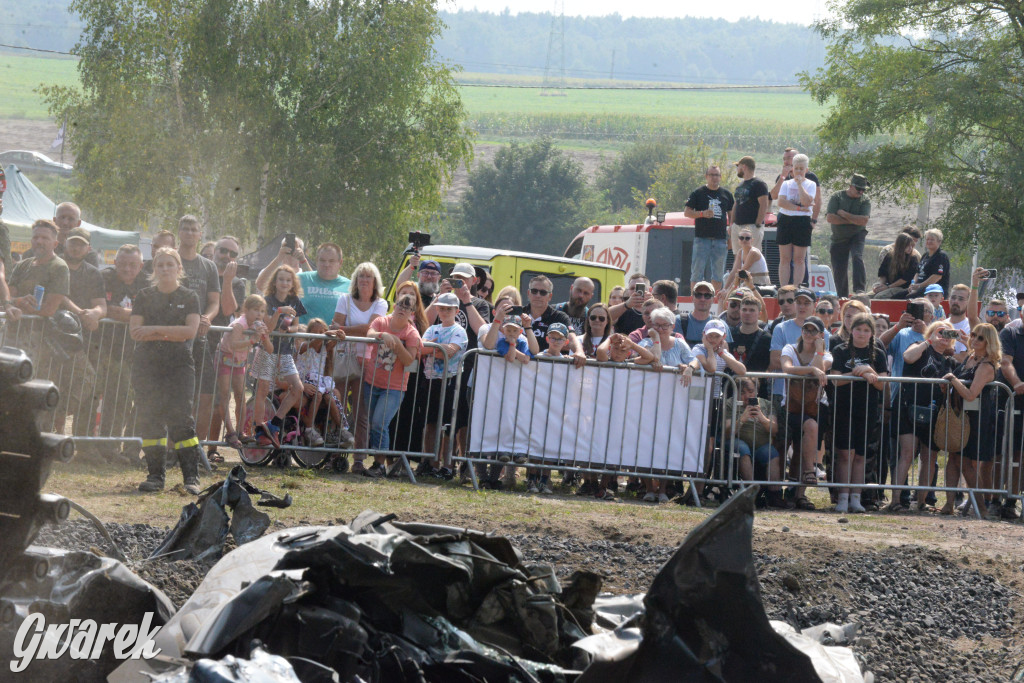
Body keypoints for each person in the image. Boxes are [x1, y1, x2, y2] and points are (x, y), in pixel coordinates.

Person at [129, 247, 203, 494]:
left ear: (179, 268)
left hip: (179, 366)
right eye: (160, 265)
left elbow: (189, 332)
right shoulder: (143, 295)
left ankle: (191, 477)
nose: (165, 269)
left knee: (181, 420)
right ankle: (155, 476)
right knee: (150, 419)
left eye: (170, 264)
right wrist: (168, 331)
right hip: (147, 366)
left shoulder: (190, 296)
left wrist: (154, 330)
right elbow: (135, 332)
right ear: (154, 269)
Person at [893, 320, 956, 512]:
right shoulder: (919, 347)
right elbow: (908, 357)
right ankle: (895, 500)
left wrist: (964, 338)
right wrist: (928, 340)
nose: (945, 337)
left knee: (930, 457)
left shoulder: (949, 360)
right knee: (907, 452)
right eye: (941, 331)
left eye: (949, 334)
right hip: (908, 407)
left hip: (934, 412)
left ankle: (920, 501)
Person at [829, 313, 888, 513]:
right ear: (851, 330)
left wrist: (869, 371)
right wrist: (858, 372)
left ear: (871, 333)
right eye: (858, 329)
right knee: (845, 454)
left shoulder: (878, 353)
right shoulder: (840, 350)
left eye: (866, 330)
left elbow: (882, 384)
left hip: (868, 408)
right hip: (844, 408)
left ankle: (856, 498)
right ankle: (842, 498)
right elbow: (835, 380)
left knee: (861, 455)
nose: (862, 334)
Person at [941, 323, 1001, 516]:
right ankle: (948, 504)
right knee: (953, 459)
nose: (974, 339)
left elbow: (971, 394)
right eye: (973, 335)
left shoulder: (986, 366)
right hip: (960, 415)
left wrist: (952, 379)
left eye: (980, 338)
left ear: (989, 342)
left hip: (976, 419)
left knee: (967, 464)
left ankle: (982, 508)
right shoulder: (970, 358)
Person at [361, 293, 423, 478]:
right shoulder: (381, 321)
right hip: (372, 382)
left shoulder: (412, 333)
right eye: (400, 306)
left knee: (380, 423)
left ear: (412, 313)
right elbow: (369, 333)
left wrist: (397, 344)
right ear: (394, 306)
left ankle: (379, 465)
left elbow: (409, 359)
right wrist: (384, 335)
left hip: (394, 388)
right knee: (373, 423)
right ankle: (378, 462)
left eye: (407, 307)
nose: (402, 310)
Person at [331, 262, 388, 451]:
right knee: (336, 406)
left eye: (368, 276)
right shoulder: (344, 299)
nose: (364, 280)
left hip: (367, 363)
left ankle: (359, 458)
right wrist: (345, 331)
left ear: (375, 281)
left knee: (360, 412)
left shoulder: (381, 303)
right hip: (343, 360)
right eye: (361, 276)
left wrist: (343, 330)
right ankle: (334, 454)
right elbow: (334, 327)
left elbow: (369, 329)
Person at [54, 226, 105, 437]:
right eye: (73, 242)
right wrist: (84, 313)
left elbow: (102, 305)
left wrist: (95, 313)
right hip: (53, 336)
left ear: (88, 248)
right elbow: (59, 297)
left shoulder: (93, 273)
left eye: (81, 244)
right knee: (53, 383)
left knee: (86, 382)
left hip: (80, 341)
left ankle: (61, 421)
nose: (76, 248)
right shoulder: (56, 266)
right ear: (65, 242)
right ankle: (51, 432)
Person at [176, 215, 221, 449]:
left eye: (194, 229)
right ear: (179, 232)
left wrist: (208, 317)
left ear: (200, 234)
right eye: (186, 228)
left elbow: (214, 302)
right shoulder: (169, 260)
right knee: (175, 396)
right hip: (171, 337)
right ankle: (168, 448)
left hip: (199, 339)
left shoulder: (208, 266)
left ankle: (197, 448)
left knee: (206, 395)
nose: (190, 233)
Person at [779, 315, 833, 511]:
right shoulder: (789, 348)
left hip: (815, 406)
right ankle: (808, 472)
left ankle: (797, 494)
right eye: (806, 329)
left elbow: (821, 369)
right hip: (791, 406)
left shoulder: (826, 354)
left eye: (813, 331)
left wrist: (818, 353)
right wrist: (812, 369)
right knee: (798, 447)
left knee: (803, 450)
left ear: (821, 334)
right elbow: (787, 368)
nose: (809, 333)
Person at [252, 265, 308, 447]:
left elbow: (296, 327)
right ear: (275, 282)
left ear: (292, 283)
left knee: (298, 388)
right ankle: (258, 429)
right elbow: (268, 328)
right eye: (281, 279)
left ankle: (273, 424)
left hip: (285, 352)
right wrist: (278, 312)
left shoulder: (295, 301)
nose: (284, 283)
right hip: (268, 350)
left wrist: (287, 329)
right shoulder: (267, 301)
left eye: (288, 280)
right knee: (263, 390)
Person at [206, 235, 247, 461]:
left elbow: (229, 308)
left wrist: (228, 281)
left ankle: (211, 449)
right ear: (214, 251)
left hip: (224, 348)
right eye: (223, 251)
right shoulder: (205, 273)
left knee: (220, 400)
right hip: (200, 341)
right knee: (201, 399)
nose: (226, 257)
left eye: (232, 254)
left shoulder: (238, 283)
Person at [419, 292, 468, 478]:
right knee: (431, 423)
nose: (445, 311)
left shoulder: (459, 331)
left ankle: (448, 465)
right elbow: (420, 348)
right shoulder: (432, 329)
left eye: (449, 309)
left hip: (451, 380)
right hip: (431, 380)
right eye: (442, 308)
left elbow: (448, 353)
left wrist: (432, 348)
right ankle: (430, 462)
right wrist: (436, 348)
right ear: (437, 309)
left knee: (449, 425)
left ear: (456, 310)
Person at [217, 294, 271, 447]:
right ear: (245, 310)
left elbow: (268, 347)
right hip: (225, 358)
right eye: (255, 310)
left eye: (262, 311)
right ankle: (230, 432)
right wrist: (253, 339)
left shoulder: (257, 326)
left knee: (240, 395)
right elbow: (234, 344)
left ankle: (241, 432)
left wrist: (264, 336)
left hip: (240, 362)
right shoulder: (239, 324)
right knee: (225, 394)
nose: (259, 314)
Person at [724, 377, 785, 507]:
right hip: (738, 441)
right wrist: (742, 418)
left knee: (772, 454)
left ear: (757, 391)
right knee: (743, 450)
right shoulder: (730, 403)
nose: (747, 396)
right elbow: (727, 433)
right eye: (742, 392)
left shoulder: (767, 404)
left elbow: (774, 430)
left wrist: (762, 418)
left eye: (751, 391)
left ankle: (775, 495)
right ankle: (753, 494)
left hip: (761, 444)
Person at [295, 318, 348, 448]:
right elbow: (315, 341)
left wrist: (339, 335)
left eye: (322, 331)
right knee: (318, 394)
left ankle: (341, 430)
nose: (320, 334)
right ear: (309, 333)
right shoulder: (304, 346)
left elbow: (335, 341)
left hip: (319, 382)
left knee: (332, 396)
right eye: (316, 332)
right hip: (304, 381)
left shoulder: (325, 348)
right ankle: (309, 429)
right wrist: (326, 334)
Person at [684, 165, 734, 293]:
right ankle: (695, 297)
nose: (714, 178)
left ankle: (715, 300)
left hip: (721, 239)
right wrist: (702, 214)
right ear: (706, 176)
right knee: (697, 272)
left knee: (718, 273)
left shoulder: (726, 194)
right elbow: (687, 212)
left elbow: (732, 215)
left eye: (717, 175)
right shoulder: (698, 193)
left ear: (720, 177)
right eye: (711, 175)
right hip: (702, 238)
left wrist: (731, 233)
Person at [774, 153, 818, 287]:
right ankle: (784, 288)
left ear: (806, 170)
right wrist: (798, 208)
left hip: (802, 222)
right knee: (785, 258)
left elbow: (806, 202)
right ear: (792, 168)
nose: (798, 171)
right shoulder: (786, 184)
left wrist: (800, 185)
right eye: (796, 168)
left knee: (799, 258)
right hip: (786, 220)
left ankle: (797, 287)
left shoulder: (811, 184)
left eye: (801, 168)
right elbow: (781, 202)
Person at [826, 174, 872, 297]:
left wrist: (844, 214)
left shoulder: (865, 200)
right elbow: (830, 218)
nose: (861, 192)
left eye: (863, 190)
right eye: (859, 189)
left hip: (857, 235)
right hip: (838, 238)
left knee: (857, 256)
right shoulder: (837, 197)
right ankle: (842, 295)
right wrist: (854, 220)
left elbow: (864, 221)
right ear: (851, 186)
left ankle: (859, 290)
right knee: (839, 268)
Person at [297, 243, 349, 326]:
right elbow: (271, 286)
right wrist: (280, 257)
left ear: (340, 263)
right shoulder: (300, 279)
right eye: (322, 260)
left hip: (334, 337)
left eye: (331, 261)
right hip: (304, 337)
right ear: (317, 260)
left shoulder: (350, 286)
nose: (326, 265)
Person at [730, 156, 770, 253]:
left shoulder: (759, 184)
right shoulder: (740, 185)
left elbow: (764, 204)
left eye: (738, 166)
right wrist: (732, 224)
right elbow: (736, 204)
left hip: (751, 226)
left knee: (752, 255)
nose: (737, 169)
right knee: (738, 255)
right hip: (737, 226)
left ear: (744, 166)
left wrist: (757, 224)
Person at [729, 295, 772, 375]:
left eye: (752, 310)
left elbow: (770, 366)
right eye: (744, 310)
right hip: (731, 385)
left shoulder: (767, 339)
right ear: (740, 312)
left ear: (759, 314)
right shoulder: (730, 335)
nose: (747, 313)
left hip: (756, 386)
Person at [724, 227, 771, 294]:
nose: (744, 240)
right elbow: (734, 271)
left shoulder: (753, 252)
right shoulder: (740, 252)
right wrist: (724, 289)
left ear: (752, 240)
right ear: (738, 240)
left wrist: (728, 291)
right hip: (748, 285)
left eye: (747, 238)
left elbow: (740, 274)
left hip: (760, 285)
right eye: (741, 238)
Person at [52, 202, 101, 267]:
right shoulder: (46, 248)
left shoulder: (88, 255)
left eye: (71, 219)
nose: (65, 223)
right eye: (62, 217)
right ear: (54, 220)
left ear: (78, 223)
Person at [872, 233, 918, 299]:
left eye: (911, 246)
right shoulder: (889, 256)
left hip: (903, 288)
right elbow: (883, 274)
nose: (910, 248)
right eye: (907, 246)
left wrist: (888, 287)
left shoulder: (913, 259)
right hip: (888, 286)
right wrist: (880, 285)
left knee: (879, 297)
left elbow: (905, 279)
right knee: (866, 297)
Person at [907, 228, 951, 298]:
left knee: (909, 298)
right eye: (927, 239)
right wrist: (913, 284)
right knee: (896, 296)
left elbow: (937, 277)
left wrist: (919, 286)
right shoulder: (925, 255)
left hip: (933, 291)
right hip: (919, 288)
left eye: (932, 240)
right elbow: (917, 273)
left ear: (939, 242)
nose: (929, 241)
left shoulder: (941, 256)